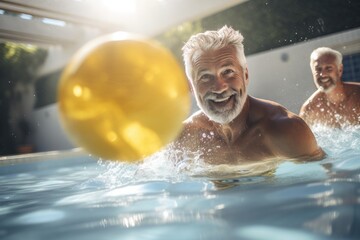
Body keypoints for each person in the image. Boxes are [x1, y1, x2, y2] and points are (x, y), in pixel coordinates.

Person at [173, 26, 324, 165]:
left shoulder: (285, 131)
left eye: (228, 72)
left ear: (245, 75)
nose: (219, 88)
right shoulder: (185, 138)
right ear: (191, 86)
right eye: (205, 77)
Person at [299, 47, 360, 128]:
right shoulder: (310, 110)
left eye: (328, 68)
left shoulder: (357, 96)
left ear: (340, 70)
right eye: (318, 69)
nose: (323, 74)